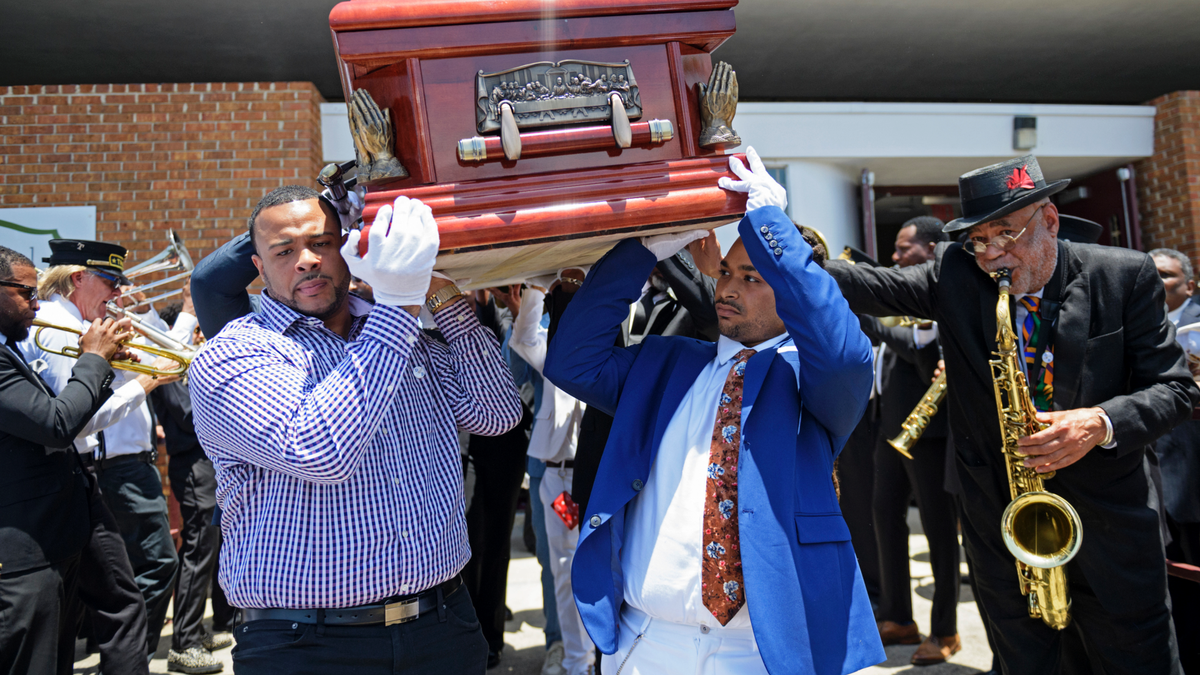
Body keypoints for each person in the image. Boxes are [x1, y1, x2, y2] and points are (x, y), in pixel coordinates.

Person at [827, 155, 1199, 674]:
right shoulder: (957, 271)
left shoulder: (1123, 275)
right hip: (1003, 530)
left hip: (1112, 529)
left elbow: (1176, 389)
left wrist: (1099, 422)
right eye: (978, 239)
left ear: (1049, 219)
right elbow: (866, 284)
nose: (992, 254)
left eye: (1006, 233)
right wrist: (769, 240)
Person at [545, 148, 885, 675]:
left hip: (762, 650)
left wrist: (771, 227)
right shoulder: (669, 362)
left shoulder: (810, 381)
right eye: (726, 272)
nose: (726, 288)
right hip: (646, 641)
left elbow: (843, 352)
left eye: (753, 277)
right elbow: (571, 362)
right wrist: (644, 249)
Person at [188, 185, 522, 674]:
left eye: (321, 243)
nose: (306, 261)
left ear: (348, 247)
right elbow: (319, 450)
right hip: (307, 644)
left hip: (444, 626)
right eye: (284, 251)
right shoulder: (234, 354)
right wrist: (398, 303)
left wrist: (440, 292)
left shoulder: (406, 331)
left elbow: (496, 413)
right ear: (259, 269)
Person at [0, 245, 132, 675]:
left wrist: (105, 368)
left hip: (52, 534)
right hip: (22, 553)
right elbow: (56, 424)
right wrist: (94, 359)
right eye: (25, 292)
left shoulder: (11, 350)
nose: (36, 302)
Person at [862, 216, 962, 666]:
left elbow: (923, 357)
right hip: (891, 429)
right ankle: (898, 615)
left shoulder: (944, 297)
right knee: (884, 517)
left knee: (941, 533)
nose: (896, 257)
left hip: (930, 434)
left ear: (932, 250)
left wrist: (868, 317)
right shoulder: (900, 301)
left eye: (904, 250)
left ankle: (946, 630)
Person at [508, 276, 594, 675]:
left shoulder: (606, 348)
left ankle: (602, 658)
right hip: (557, 480)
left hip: (597, 478)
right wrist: (537, 288)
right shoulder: (551, 353)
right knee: (563, 571)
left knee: (604, 569)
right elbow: (523, 338)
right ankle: (575, 659)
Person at [148, 301, 230, 674]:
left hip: (204, 464)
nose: (198, 336)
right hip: (191, 465)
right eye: (193, 329)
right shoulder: (167, 365)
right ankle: (185, 644)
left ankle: (195, 627)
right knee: (197, 551)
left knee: (208, 548)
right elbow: (187, 414)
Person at [1149, 247, 1200, 674]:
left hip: (1192, 475)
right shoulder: (1135, 320)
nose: (1156, 281)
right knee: (1169, 588)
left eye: (1165, 275)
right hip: (1151, 477)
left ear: (1190, 283)